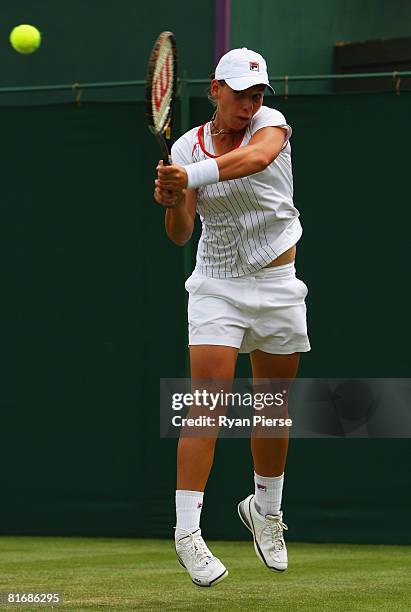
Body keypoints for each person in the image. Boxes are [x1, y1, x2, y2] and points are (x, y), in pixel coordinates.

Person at [154, 47, 310, 587]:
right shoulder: (184, 146)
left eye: (257, 93)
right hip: (217, 283)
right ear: (215, 91)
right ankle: (187, 534)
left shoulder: (270, 126)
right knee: (207, 402)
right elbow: (180, 233)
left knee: (271, 406)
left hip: (276, 281)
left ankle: (265, 512)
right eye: (240, 93)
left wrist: (188, 175)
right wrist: (174, 195)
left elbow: (256, 159)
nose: (250, 103)